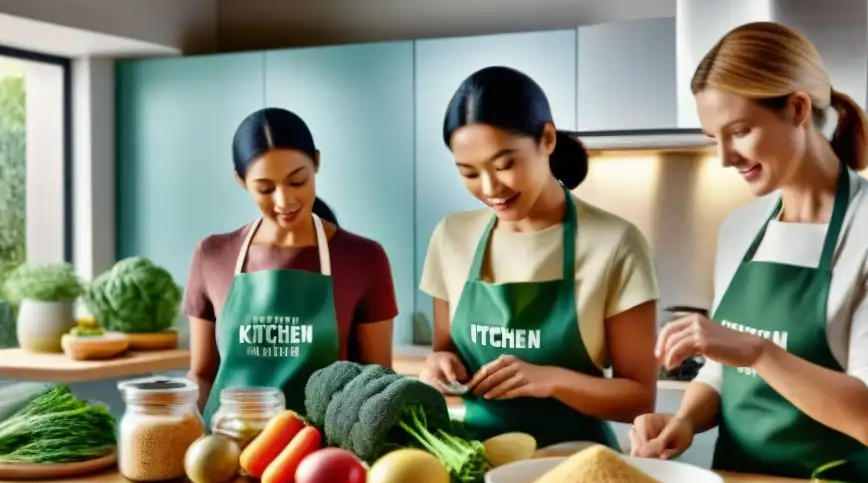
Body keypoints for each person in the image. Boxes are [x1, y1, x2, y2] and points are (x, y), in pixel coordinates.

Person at [630, 21, 868, 483]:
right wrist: (686, 420)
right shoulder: (740, 228)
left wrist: (757, 352)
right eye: (714, 138)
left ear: (796, 108)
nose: (724, 158)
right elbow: (721, 371)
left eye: (739, 131)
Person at [418, 66, 660, 449]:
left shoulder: (615, 243)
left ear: (546, 139)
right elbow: (444, 349)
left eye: (505, 165)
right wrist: (437, 365)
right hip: (476, 460)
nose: (490, 188)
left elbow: (639, 399)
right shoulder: (451, 237)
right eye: (469, 173)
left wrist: (550, 380)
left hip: (578, 466)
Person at [184, 107, 398, 420]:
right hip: (226, 449)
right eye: (265, 188)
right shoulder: (211, 255)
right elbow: (202, 375)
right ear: (242, 181)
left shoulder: (364, 258)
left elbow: (376, 385)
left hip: (318, 456)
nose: (283, 201)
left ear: (317, 162)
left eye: (297, 181)